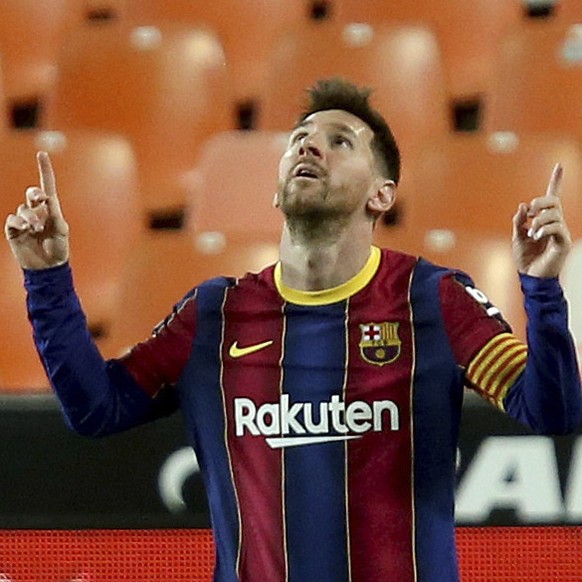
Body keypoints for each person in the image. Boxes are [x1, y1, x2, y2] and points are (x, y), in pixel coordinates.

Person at [4, 78, 581, 582]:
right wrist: (46, 277)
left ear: (382, 194)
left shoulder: (435, 301)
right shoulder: (212, 316)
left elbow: (552, 411)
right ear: (277, 186)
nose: (309, 145)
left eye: (340, 141)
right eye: (299, 139)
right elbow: (95, 409)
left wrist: (541, 291)